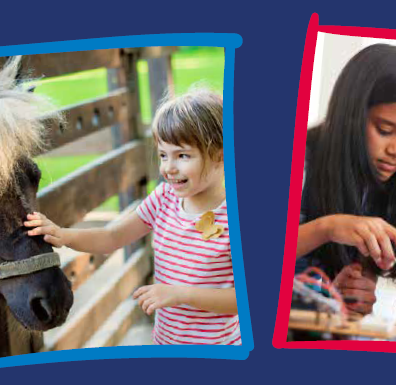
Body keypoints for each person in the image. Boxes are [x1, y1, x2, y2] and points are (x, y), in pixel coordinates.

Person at [24, 88, 239, 345]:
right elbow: (112, 236)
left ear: (220, 155)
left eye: (182, 155)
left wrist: (181, 294)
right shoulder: (165, 199)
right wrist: (64, 235)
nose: (168, 168)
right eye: (163, 155)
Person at [296, 44, 396, 315]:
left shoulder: (391, 181)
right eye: (385, 130)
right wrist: (327, 227)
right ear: (351, 114)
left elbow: (334, 293)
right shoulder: (297, 161)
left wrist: (352, 292)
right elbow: (238, 256)